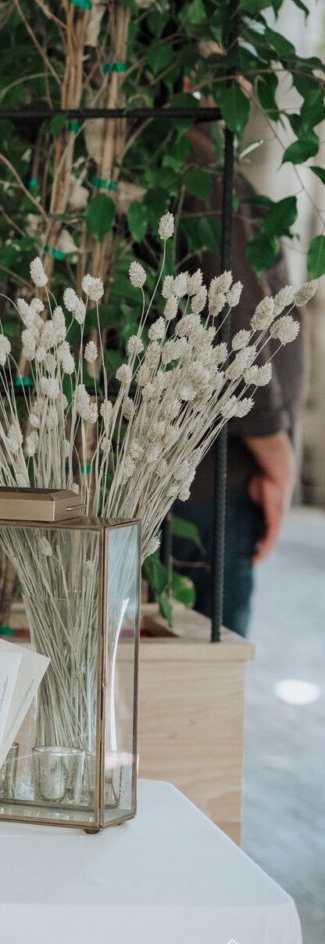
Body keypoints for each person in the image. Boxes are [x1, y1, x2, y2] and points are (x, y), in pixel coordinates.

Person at [171, 175, 304, 638]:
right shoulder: (203, 166)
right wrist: (277, 458)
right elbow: (238, 323)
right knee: (208, 667)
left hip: (211, 476)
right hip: (214, 477)